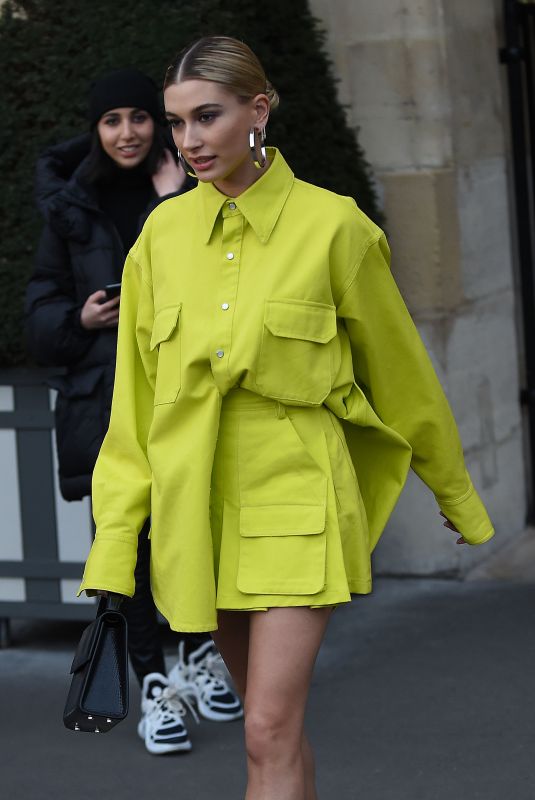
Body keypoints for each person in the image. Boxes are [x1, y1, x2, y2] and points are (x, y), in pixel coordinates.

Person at [78, 38, 494, 799]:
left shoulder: (334, 228)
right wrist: (113, 547)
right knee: (272, 735)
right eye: (177, 123)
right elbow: (133, 410)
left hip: (297, 497)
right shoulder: (159, 239)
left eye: (208, 116)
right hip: (194, 508)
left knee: (267, 726)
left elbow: (402, 379)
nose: (189, 141)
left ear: (257, 110)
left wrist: (454, 496)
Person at [24, 67, 242, 757]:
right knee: (129, 550)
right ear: (95, 128)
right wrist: (80, 317)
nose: (126, 131)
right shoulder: (70, 205)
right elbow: (37, 311)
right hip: (105, 404)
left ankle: (196, 654)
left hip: (183, 400)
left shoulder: (196, 190)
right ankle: (151, 682)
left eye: (139, 118)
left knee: (192, 532)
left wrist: (176, 200)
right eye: (111, 119)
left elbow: (219, 286)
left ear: (158, 124)